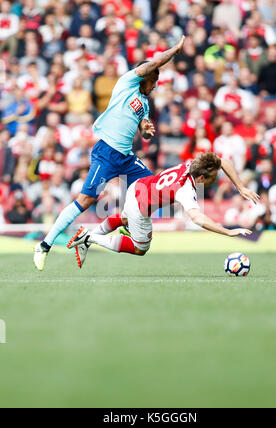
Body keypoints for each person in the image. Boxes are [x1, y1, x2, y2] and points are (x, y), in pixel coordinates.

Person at [34, 36, 186, 271]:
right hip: (106, 153)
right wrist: (174, 50)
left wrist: (145, 130)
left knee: (152, 188)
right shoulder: (127, 82)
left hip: (126, 157)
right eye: (154, 79)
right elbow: (152, 64)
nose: (155, 84)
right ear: (144, 74)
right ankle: (44, 245)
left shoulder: (144, 103)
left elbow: (143, 132)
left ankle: (99, 233)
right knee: (85, 200)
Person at [67, 153, 259, 267]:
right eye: (209, 180)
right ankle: (88, 237)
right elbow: (198, 218)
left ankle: (86, 241)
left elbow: (221, 161)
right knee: (139, 248)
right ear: (200, 178)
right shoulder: (185, 190)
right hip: (140, 206)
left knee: (124, 219)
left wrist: (240, 187)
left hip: (138, 186)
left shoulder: (191, 164)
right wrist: (228, 231)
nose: (209, 183)